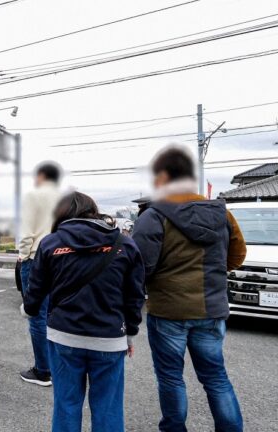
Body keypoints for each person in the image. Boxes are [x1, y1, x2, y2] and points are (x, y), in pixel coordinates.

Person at [132, 145, 247, 432]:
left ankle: (174, 428)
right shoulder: (222, 214)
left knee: (171, 378)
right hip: (211, 308)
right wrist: (212, 274)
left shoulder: (154, 215)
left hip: (169, 311)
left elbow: (140, 265)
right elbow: (237, 255)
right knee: (215, 377)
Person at [24, 192, 145, 432]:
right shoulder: (124, 244)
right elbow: (135, 296)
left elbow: (35, 290)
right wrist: (130, 332)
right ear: (93, 211)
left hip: (64, 336)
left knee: (66, 404)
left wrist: (29, 309)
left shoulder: (51, 243)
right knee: (107, 408)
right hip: (110, 339)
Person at [16, 162, 61, 387]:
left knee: (36, 314)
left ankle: (43, 370)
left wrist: (23, 255)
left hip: (36, 259)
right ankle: (57, 366)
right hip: (62, 260)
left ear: (41, 176)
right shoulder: (65, 198)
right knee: (55, 314)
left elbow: (26, 232)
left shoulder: (33, 196)